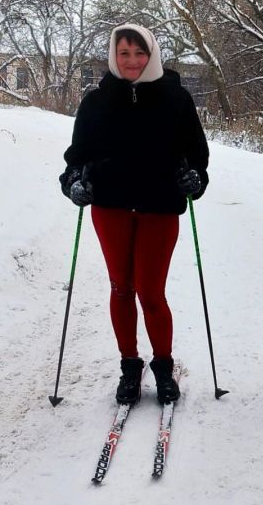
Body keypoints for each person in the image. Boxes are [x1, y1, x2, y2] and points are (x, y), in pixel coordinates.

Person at [59, 23, 209, 405]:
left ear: (152, 54)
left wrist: (195, 178)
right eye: (123, 53)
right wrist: (75, 182)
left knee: (151, 291)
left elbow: (197, 154)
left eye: (139, 53)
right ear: (113, 55)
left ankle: (163, 367)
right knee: (121, 287)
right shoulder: (95, 102)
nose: (131, 61)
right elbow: (76, 157)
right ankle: (130, 365)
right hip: (110, 207)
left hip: (159, 208)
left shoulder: (176, 99)